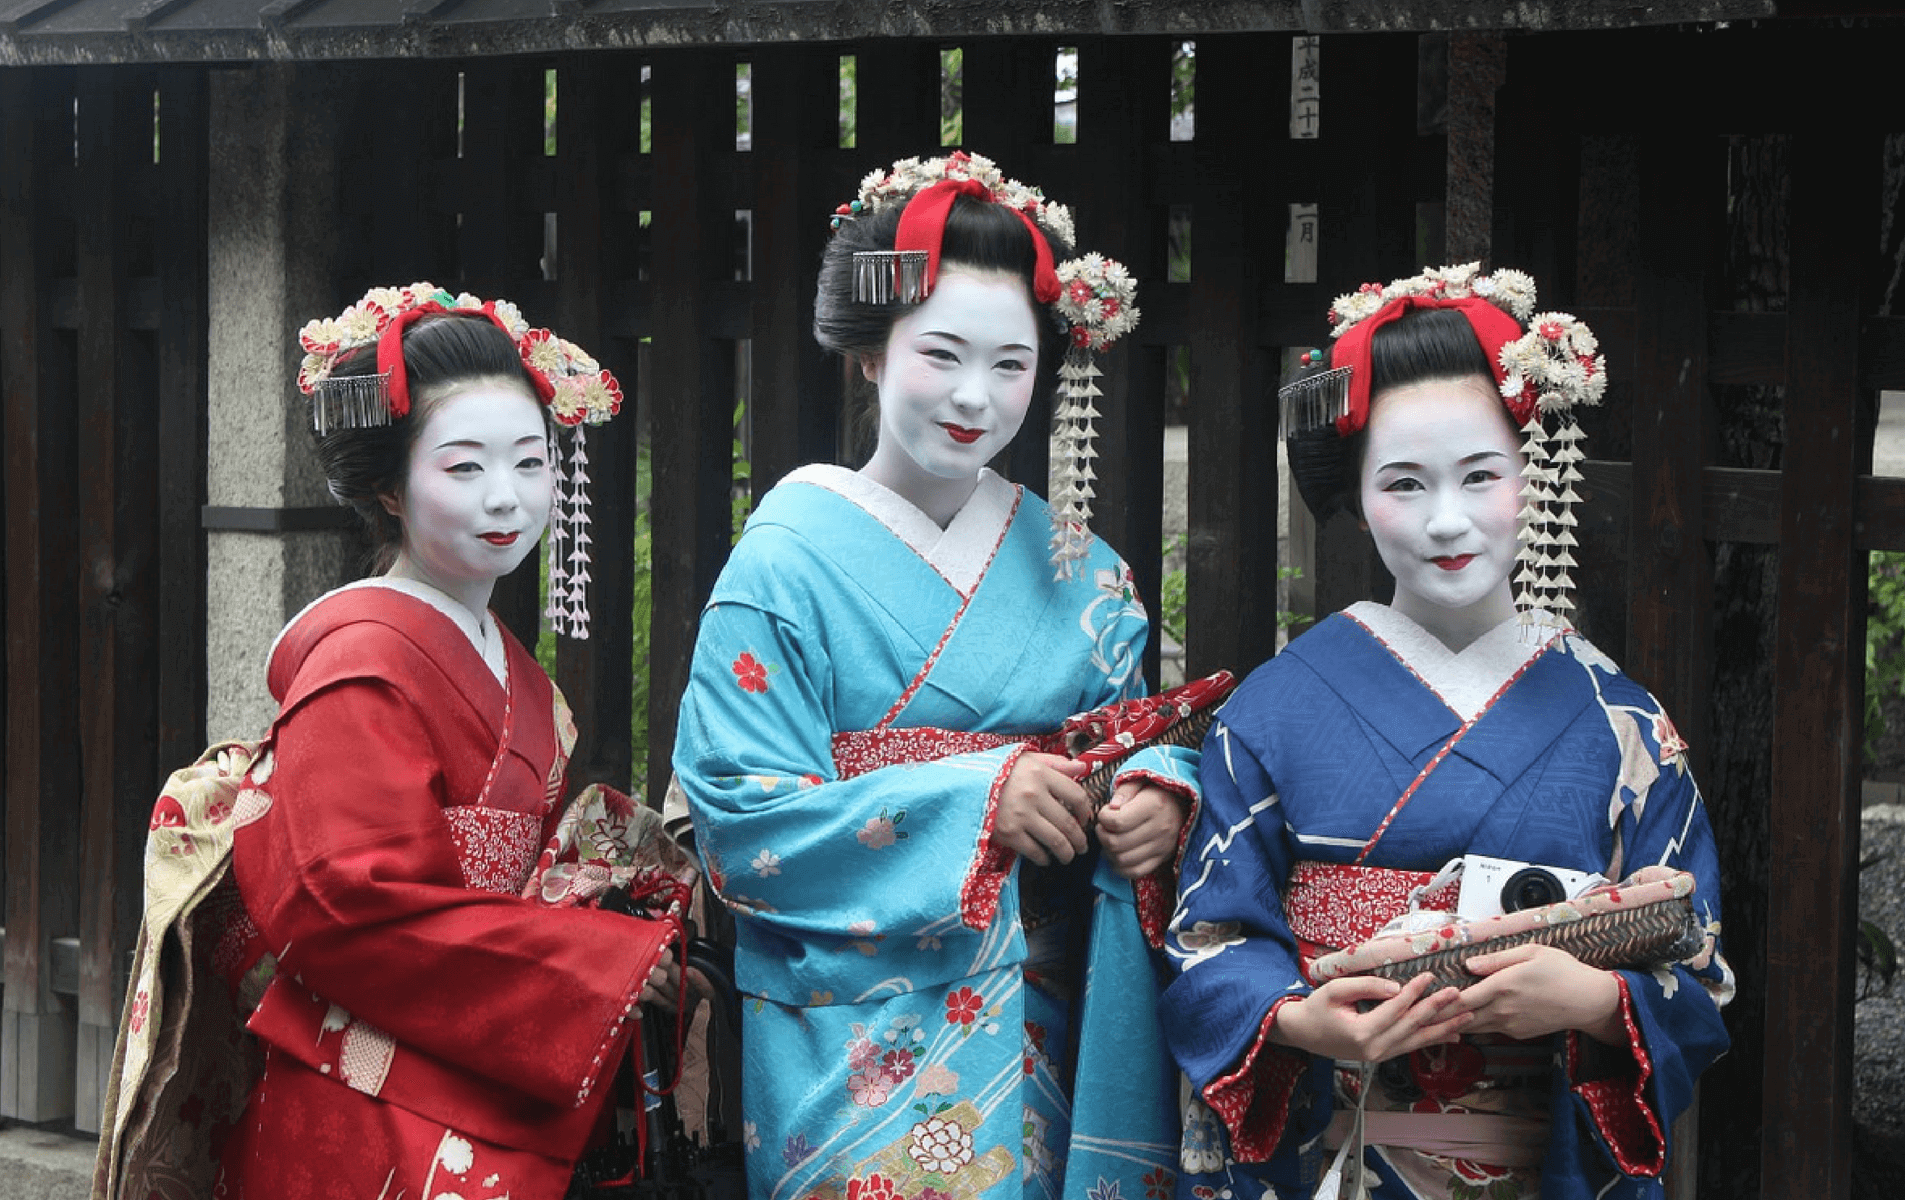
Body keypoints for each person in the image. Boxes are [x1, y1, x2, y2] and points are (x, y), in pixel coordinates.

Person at [671, 151, 1201, 1200]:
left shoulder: (1087, 571)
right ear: (870, 353)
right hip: (857, 1038)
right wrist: (976, 802)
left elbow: (1139, 743)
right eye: (942, 355)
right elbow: (736, 818)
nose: (976, 397)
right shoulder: (784, 560)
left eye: (1011, 365)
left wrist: (1162, 798)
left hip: (1052, 1023)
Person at [92, 285, 682, 1200]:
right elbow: (348, 905)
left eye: (531, 464)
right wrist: (586, 968)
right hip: (365, 1087)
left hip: (481, 1053)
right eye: (463, 468)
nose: (507, 498)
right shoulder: (361, 664)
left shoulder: (516, 671)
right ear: (386, 487)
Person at [1159, 264, 1735, 1200]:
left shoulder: (1620, 720)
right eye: (1403, 484)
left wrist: (1592, 999)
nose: (1446, 521)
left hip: (1540, 1152)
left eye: (1481, 475)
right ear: (1353, 491)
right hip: (1331, 1154)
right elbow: (1208, 936)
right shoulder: (1274, 707)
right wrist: (1304, 1020)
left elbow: (1695, 961)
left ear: (1532, 471)